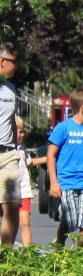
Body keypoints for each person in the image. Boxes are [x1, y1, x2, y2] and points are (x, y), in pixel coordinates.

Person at [47, 87, 83, 247]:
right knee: (69, 222)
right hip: (67, 184)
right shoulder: (63, 128)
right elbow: (51, 156)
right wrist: (54, 182)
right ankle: (59, 244)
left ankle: (80, 256)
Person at [0, 45, 24, 246]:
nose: (17, 66)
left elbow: (11, 120)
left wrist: (15, 148)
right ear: (2, 61)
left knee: (13, 205)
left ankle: (5, 256)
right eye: (14, 61)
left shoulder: (10, 88)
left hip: (8, 154)